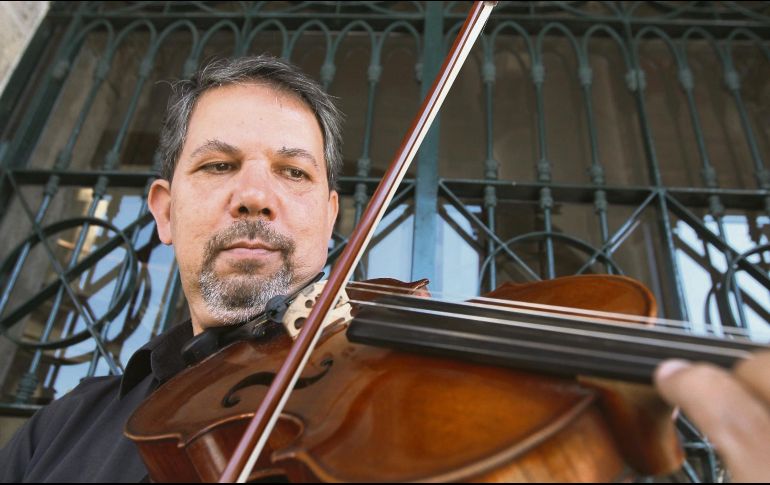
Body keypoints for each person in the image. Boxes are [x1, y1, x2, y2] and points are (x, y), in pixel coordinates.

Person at [0, 54, 767, 482]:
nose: (256, 197)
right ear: (164, 209)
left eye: (294, 173)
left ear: (332, 218)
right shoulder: (54, 438)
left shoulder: (400, 399)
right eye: (220, 164)